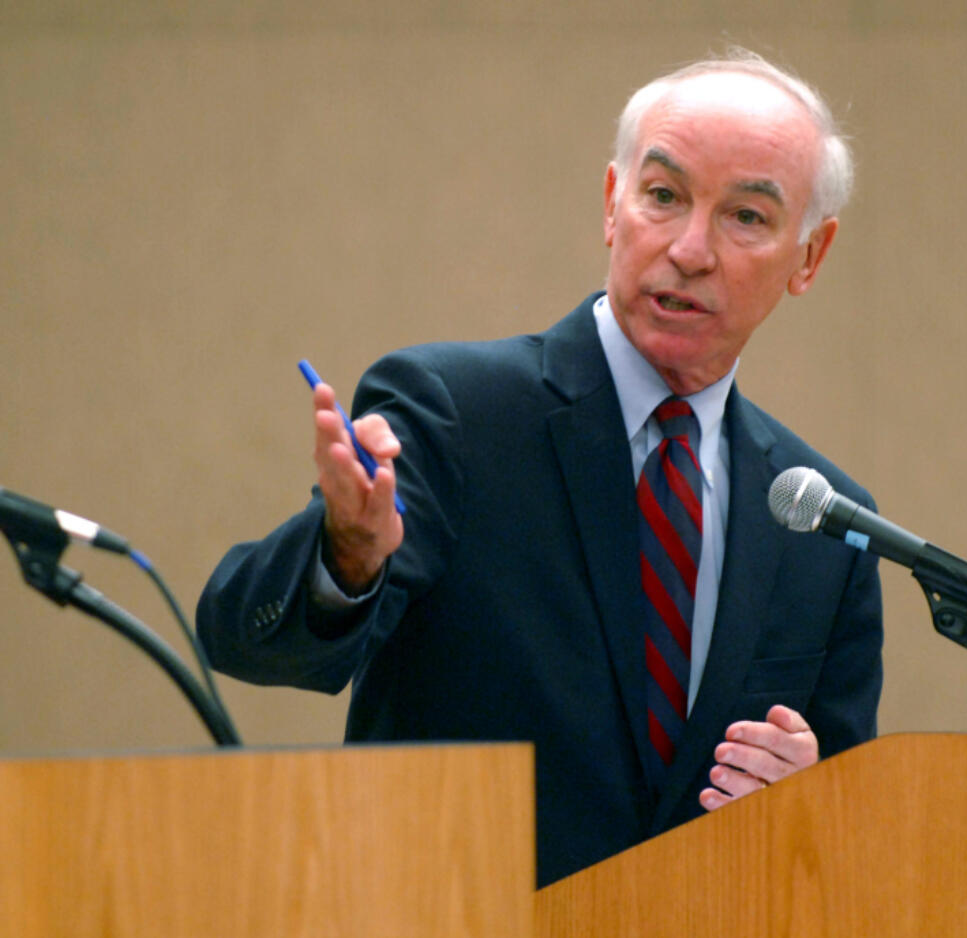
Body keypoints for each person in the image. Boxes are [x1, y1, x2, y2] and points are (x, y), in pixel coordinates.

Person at [197, 48, 883, 888]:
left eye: (746, 216)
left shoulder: (822, 519)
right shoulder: (457, 412)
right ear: (611, 203)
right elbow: (250, 646)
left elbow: (847, 853)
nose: (690, 248)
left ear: (809, 258)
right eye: (663, 196)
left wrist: (810, 799)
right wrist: (346, 553)